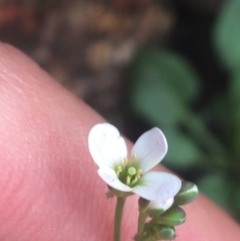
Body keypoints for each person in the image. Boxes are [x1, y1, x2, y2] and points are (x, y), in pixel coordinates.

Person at [0, 43, 239, 241]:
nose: (130, 172)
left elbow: (163, 190)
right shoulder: (121, 172)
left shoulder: (144, 183)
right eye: (128, 174)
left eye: (129, 174)